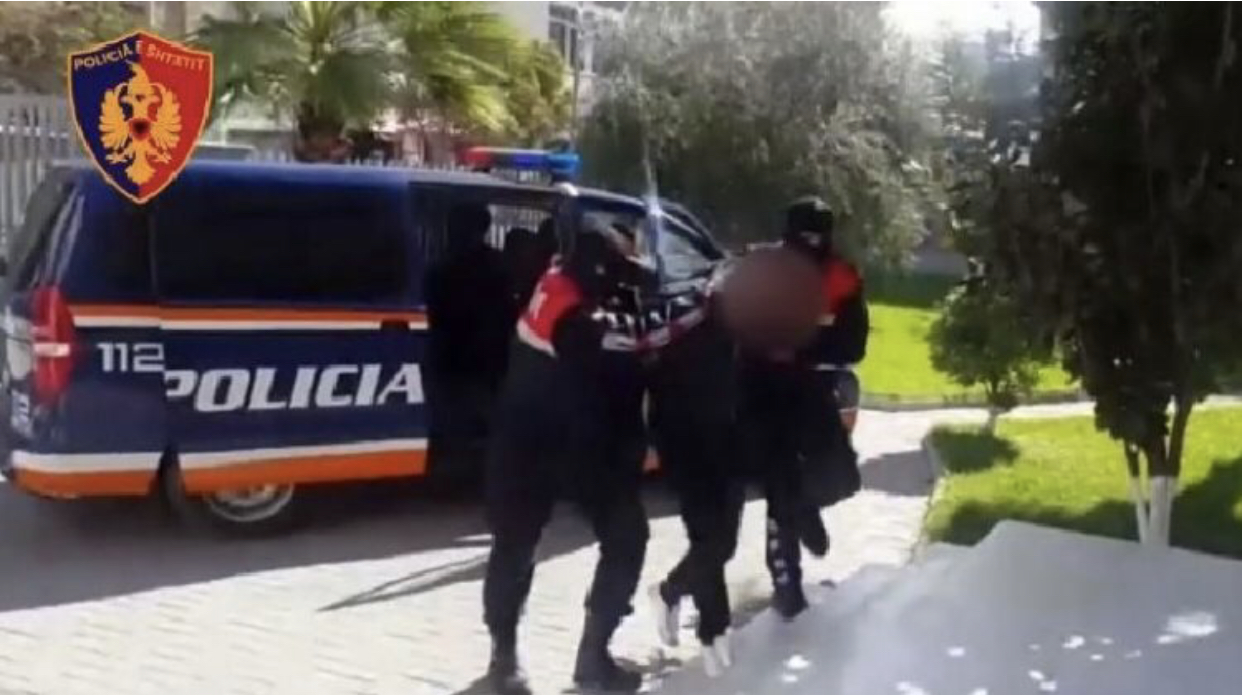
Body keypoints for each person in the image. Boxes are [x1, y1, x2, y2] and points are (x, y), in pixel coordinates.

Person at [482, 220, 650, 695]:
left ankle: (587, 656)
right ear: (597, 269)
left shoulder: (563, 277)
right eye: (617, 269)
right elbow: (609, 360)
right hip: (537, 441)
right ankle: (509, 657)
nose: (623, 278)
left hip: (559, 437)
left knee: (621, 535)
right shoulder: (570, 313)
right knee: (518, 544)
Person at [755, 195, 868, 619]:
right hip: (766, 389)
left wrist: (801, 342)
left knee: (842, 478)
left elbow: (853, 343)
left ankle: (806, 508)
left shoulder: (841, 276)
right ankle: (786, 585)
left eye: (818, 236)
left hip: (816, 388)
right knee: (780, 487)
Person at [425, 203, 517, 478]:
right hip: (480, 356)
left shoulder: (442, 266)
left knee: (463, 419)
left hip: (462, 356)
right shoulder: (495, 264)